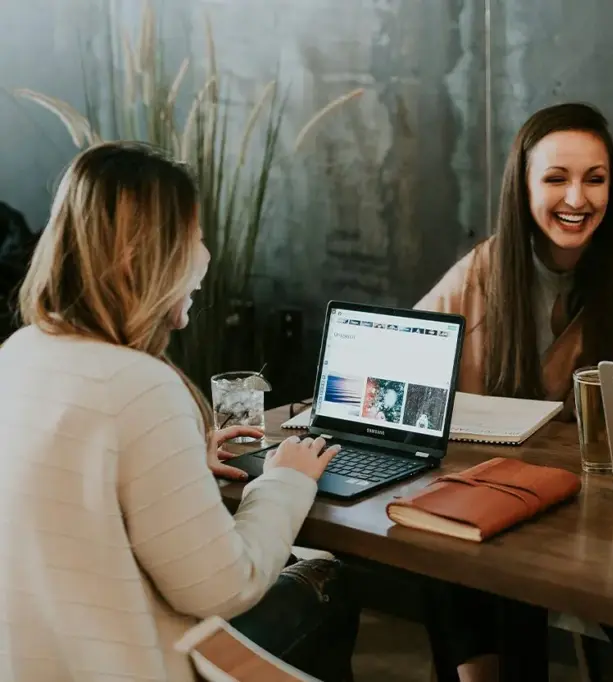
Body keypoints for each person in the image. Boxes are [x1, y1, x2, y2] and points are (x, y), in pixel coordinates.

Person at [0, 141, 359, 682]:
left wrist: (183, 461)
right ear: (146, 256)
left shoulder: (21, 352)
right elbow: (224, 586)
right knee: (331, 580)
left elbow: (76, 501)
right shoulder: (142, 386)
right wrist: (282, 482)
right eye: (194, 239)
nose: (205, 258)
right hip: (131, 663)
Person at [414, 102, 613, 681]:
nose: (577, 198)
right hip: (488, 505)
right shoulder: (481, 271)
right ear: (521, 188)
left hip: (597, 524)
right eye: (555, 179)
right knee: (445, 538)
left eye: (594, 180)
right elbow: (408, 364)